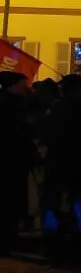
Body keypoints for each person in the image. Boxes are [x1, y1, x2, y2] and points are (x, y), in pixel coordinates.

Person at [0, 72, 37, 255]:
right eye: (24, 83)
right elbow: (19, 134)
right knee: (10, 200)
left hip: (13, 159)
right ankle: (7, 239)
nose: (27, 87)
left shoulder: (14, 103)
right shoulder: (11, 106)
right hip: (11, 160)